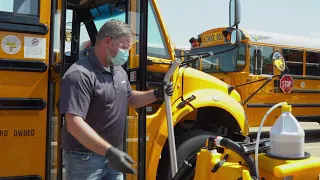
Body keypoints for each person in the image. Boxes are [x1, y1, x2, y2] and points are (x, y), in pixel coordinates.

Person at [59, 19, 174, 180]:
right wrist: (108, 151)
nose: (126, 53)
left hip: (113, 156)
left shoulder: (118, 71)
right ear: (108, 41)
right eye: (124, 47)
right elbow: (73, 123)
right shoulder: (79, 74)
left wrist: (156, 94)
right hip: (85, 160)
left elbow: (129, 98)